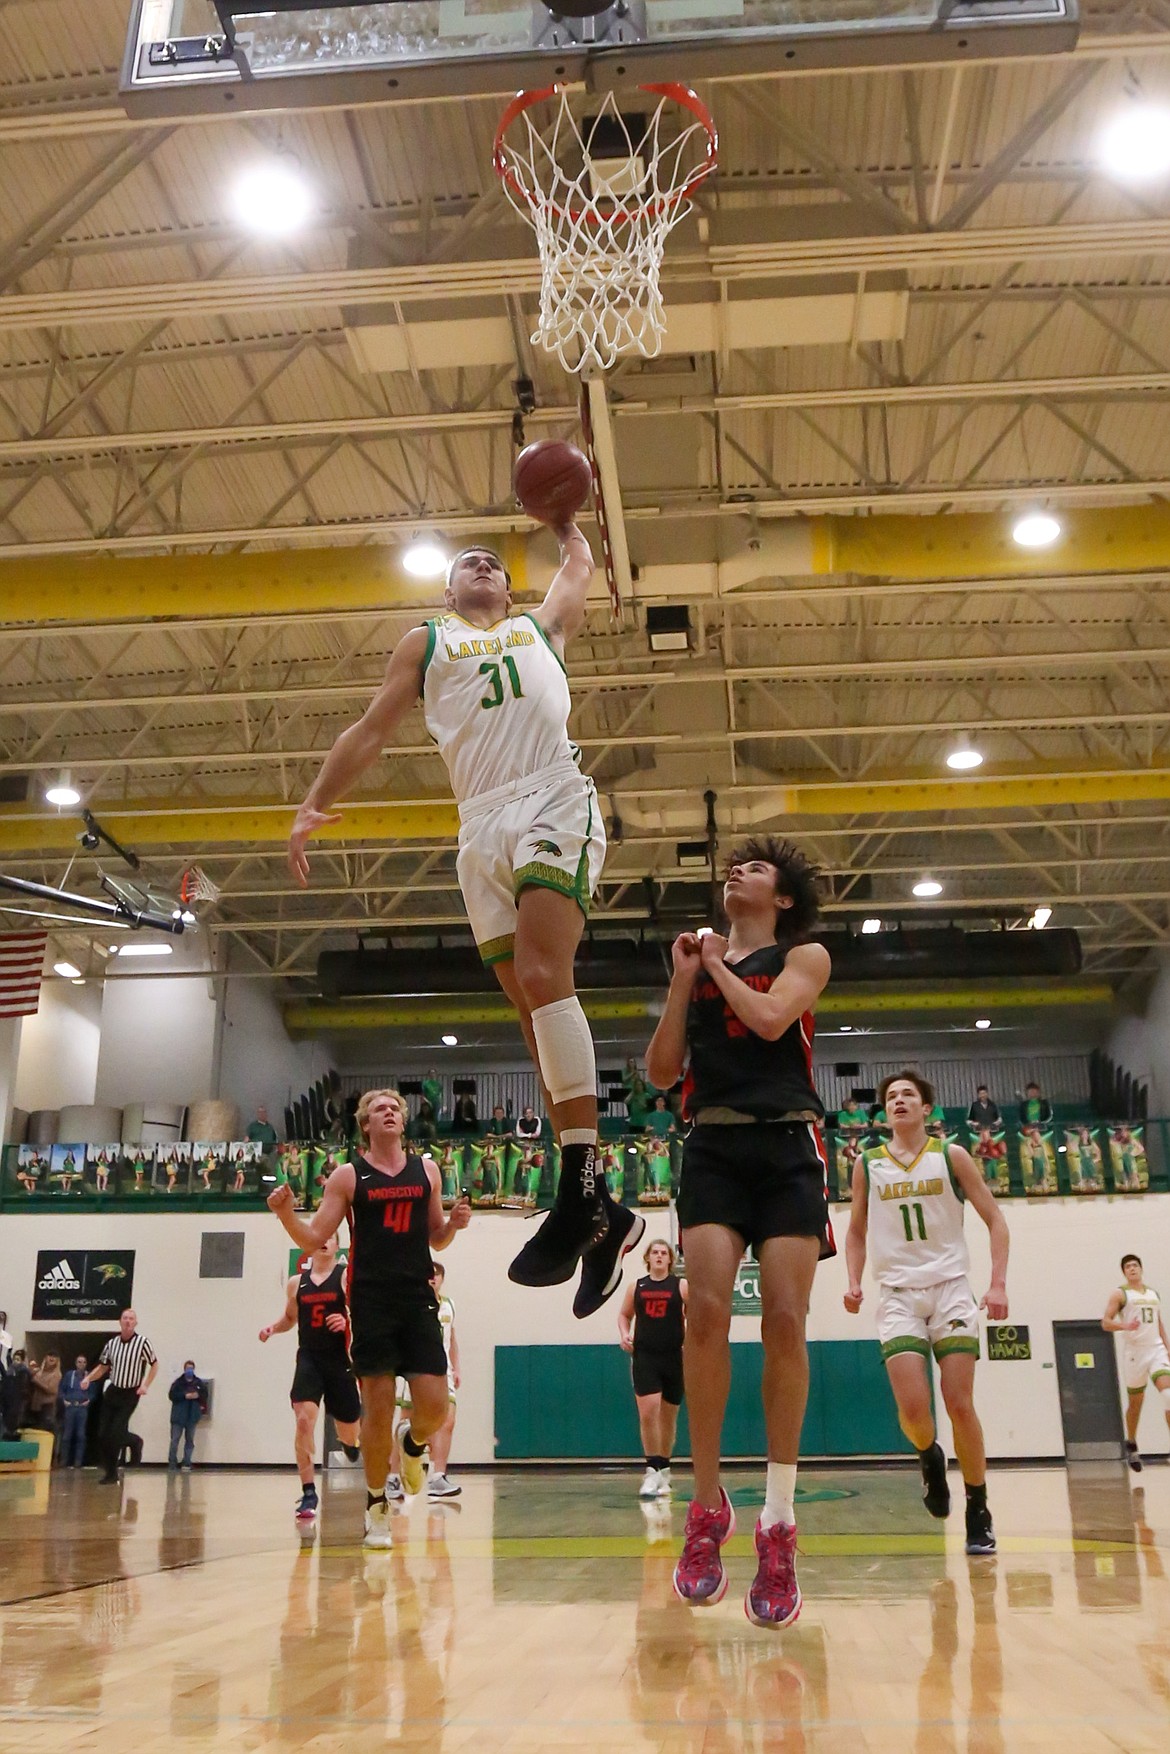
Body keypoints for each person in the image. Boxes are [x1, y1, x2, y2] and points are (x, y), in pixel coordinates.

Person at [286, 528, 643, 1315]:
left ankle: (580, 1191)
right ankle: (609, 1217)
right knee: (528, 1011)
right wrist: (316, 798)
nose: (481, 564)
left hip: (552, 791)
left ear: (511, 590)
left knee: (549, 977)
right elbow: (372, 726)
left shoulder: (541, 626)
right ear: (448, 594)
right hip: (478, 824)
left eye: (494, 562)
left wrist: (566, 526)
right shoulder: (427, 641)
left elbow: (579, 570)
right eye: (466, 564)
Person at [645, 836, 833, 1628]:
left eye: (754, 869)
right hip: (714, 1145)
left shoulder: (807, 955)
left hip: (790, 1146)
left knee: (786, 1323)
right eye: (732, 867)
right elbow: (660, 1072)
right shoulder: (697, 964)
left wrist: (713, 964)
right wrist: (681, 983)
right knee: (707, 1316)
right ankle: (706, 1506)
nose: (736, 872)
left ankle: (778, 1522)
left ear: (782, 897)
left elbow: (765, 1020)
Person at [267, 1088, 471, 1549]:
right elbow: (314, 1236)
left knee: (436, 1407)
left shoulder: (428, 1171)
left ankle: (414, 1446)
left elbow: (435, 1239)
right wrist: (284, 1214)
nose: (391, 1112)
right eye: (380, 1109)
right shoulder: (348, 1176)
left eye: (396, 1108)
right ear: (366, 1124)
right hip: (370, 1301)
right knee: (376, 1410)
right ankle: (377, 1504)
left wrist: (454, 1224)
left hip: (418, 1298)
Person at [843, 1069, 1008, 1557]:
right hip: (897, 1294)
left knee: (958, 1402)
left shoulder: (951, 1155)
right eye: (891, 1097)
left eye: (908, 1095)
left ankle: (978, 1507)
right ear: (884, 1110)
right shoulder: (867, 1164)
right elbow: (855, 1231)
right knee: (915, 1412)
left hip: (951, 1289)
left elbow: (996, 1220)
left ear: (927, 1109)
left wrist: (997, 1282)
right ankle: (928, 1456)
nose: (898, 1101)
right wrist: (853, 1279)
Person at [260, 1230, 363, 1517]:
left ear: (337, 1246)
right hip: (309, 1358)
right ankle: (308, 1493)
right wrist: (272, 1328)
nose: (324, 1241)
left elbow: (362, 1310)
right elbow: (290, 1318)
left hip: (339, 1359)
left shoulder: (344, 1276)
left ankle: (350, 1443)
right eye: (320, 1237)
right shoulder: (297, 1284)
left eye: (331, 1238)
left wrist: (345, 1320)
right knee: (304, 1420)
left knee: (350, 1428)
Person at [618, 1239, 688, 1500]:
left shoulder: (680, 1285)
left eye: (663, 1253)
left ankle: (665, 1470)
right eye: (655, 1253)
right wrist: (625, 1335)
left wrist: (691, 1341)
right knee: (649, 1413)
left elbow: (695, 1313)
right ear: (647, 1258)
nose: (659, 1256)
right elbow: (624, 1315)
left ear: (670, 1259)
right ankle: (651, 1470)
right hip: (646, 1356)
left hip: (674, 1357)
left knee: (669, 1417)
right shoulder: (636, 1287)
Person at [1102, 1254, 1170, 1473]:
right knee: (1136, 1403)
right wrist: (1125, 1326)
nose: (1132, 1268)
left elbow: (1158, 1322)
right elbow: (1106, 1322)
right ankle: (1131, 1441)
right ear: (1124, 1272)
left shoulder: (1153, 1294)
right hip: (1135, 1353)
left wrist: (1167, 1348)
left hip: (1156, 1349)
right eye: (1128, 1266)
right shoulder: (1120, 1294)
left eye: (1135, 1265)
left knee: (1168, 1395)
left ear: (1141, 1269)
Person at [81, 1310, 158, 1484]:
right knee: (102, 1434)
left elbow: (154, 1365)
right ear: (120, 1322)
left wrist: (145, 1385)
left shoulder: (142, 1342)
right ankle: (111, 1472)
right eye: (125, 1318)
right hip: (113, 1391)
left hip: (131, 1393)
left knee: (116, 1432)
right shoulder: (112, 1344)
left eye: (131, 1319)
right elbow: (102, 1367)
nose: (128, 1321)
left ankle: (135, 1441)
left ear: (136, 1323)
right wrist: (88, 1378)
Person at [425, 1260, 462, 1499]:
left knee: (448, 1421)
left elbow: (453, 1339)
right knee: (408, 1424)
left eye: (436, 1275)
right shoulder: (414, 1303)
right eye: (429, 1275)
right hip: (419, 1369)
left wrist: (457, 1367)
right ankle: (393, 1476)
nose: (433, 1279)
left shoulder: (448, 1305)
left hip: (444, 1370)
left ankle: (438, 1476)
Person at [167, 1361, 209, 1471]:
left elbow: (205, 1395)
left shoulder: (199, 1383)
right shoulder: (178, 1383)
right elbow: (172, 1395)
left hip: (192, 1416)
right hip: (178, 1416)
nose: (189, 1371)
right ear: (184, 1369)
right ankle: (172, 1463)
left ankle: (187, 1462)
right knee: (175, 1440)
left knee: (190, 1440)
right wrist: (185, 1396)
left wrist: (197, 1395)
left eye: (191, 1368)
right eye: (187, 1368)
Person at [59, 1354, 92, 1468]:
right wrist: (64, 1400)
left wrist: (89, 1400)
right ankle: (64, 1461)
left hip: (82, 1408)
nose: (81, 1364)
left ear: (86, 1364)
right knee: (67, 1435)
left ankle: (78, 1462)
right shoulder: (69, 1375)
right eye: (79, 1362)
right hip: (70, 1407)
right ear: (75, 1363)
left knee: (80, 1435)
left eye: (83, 1362)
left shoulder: (89, 1376)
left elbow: (94, 1391)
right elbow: (61, 1389)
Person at [27, 1353, 62, 1433]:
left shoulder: (56, 1374)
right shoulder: (39, 1371)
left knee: (44, 1431)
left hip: (47, 1408)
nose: (52, 1358)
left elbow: (51, 1390)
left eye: (54, 1356)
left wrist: (36, 1381)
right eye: (50, 1355)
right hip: (35, 1406)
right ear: (45, 1358)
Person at [1, 1347, 31, 1440]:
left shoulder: (24, 1372)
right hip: (6, 1402)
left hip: (16, 1404)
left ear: (22, 1361)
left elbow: (22, 1388)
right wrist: (8, 1351)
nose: (15, 1361)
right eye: (14, 1359)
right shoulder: (10, 1372)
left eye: (18, 1359)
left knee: (11, 1426)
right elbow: (4, 1370)